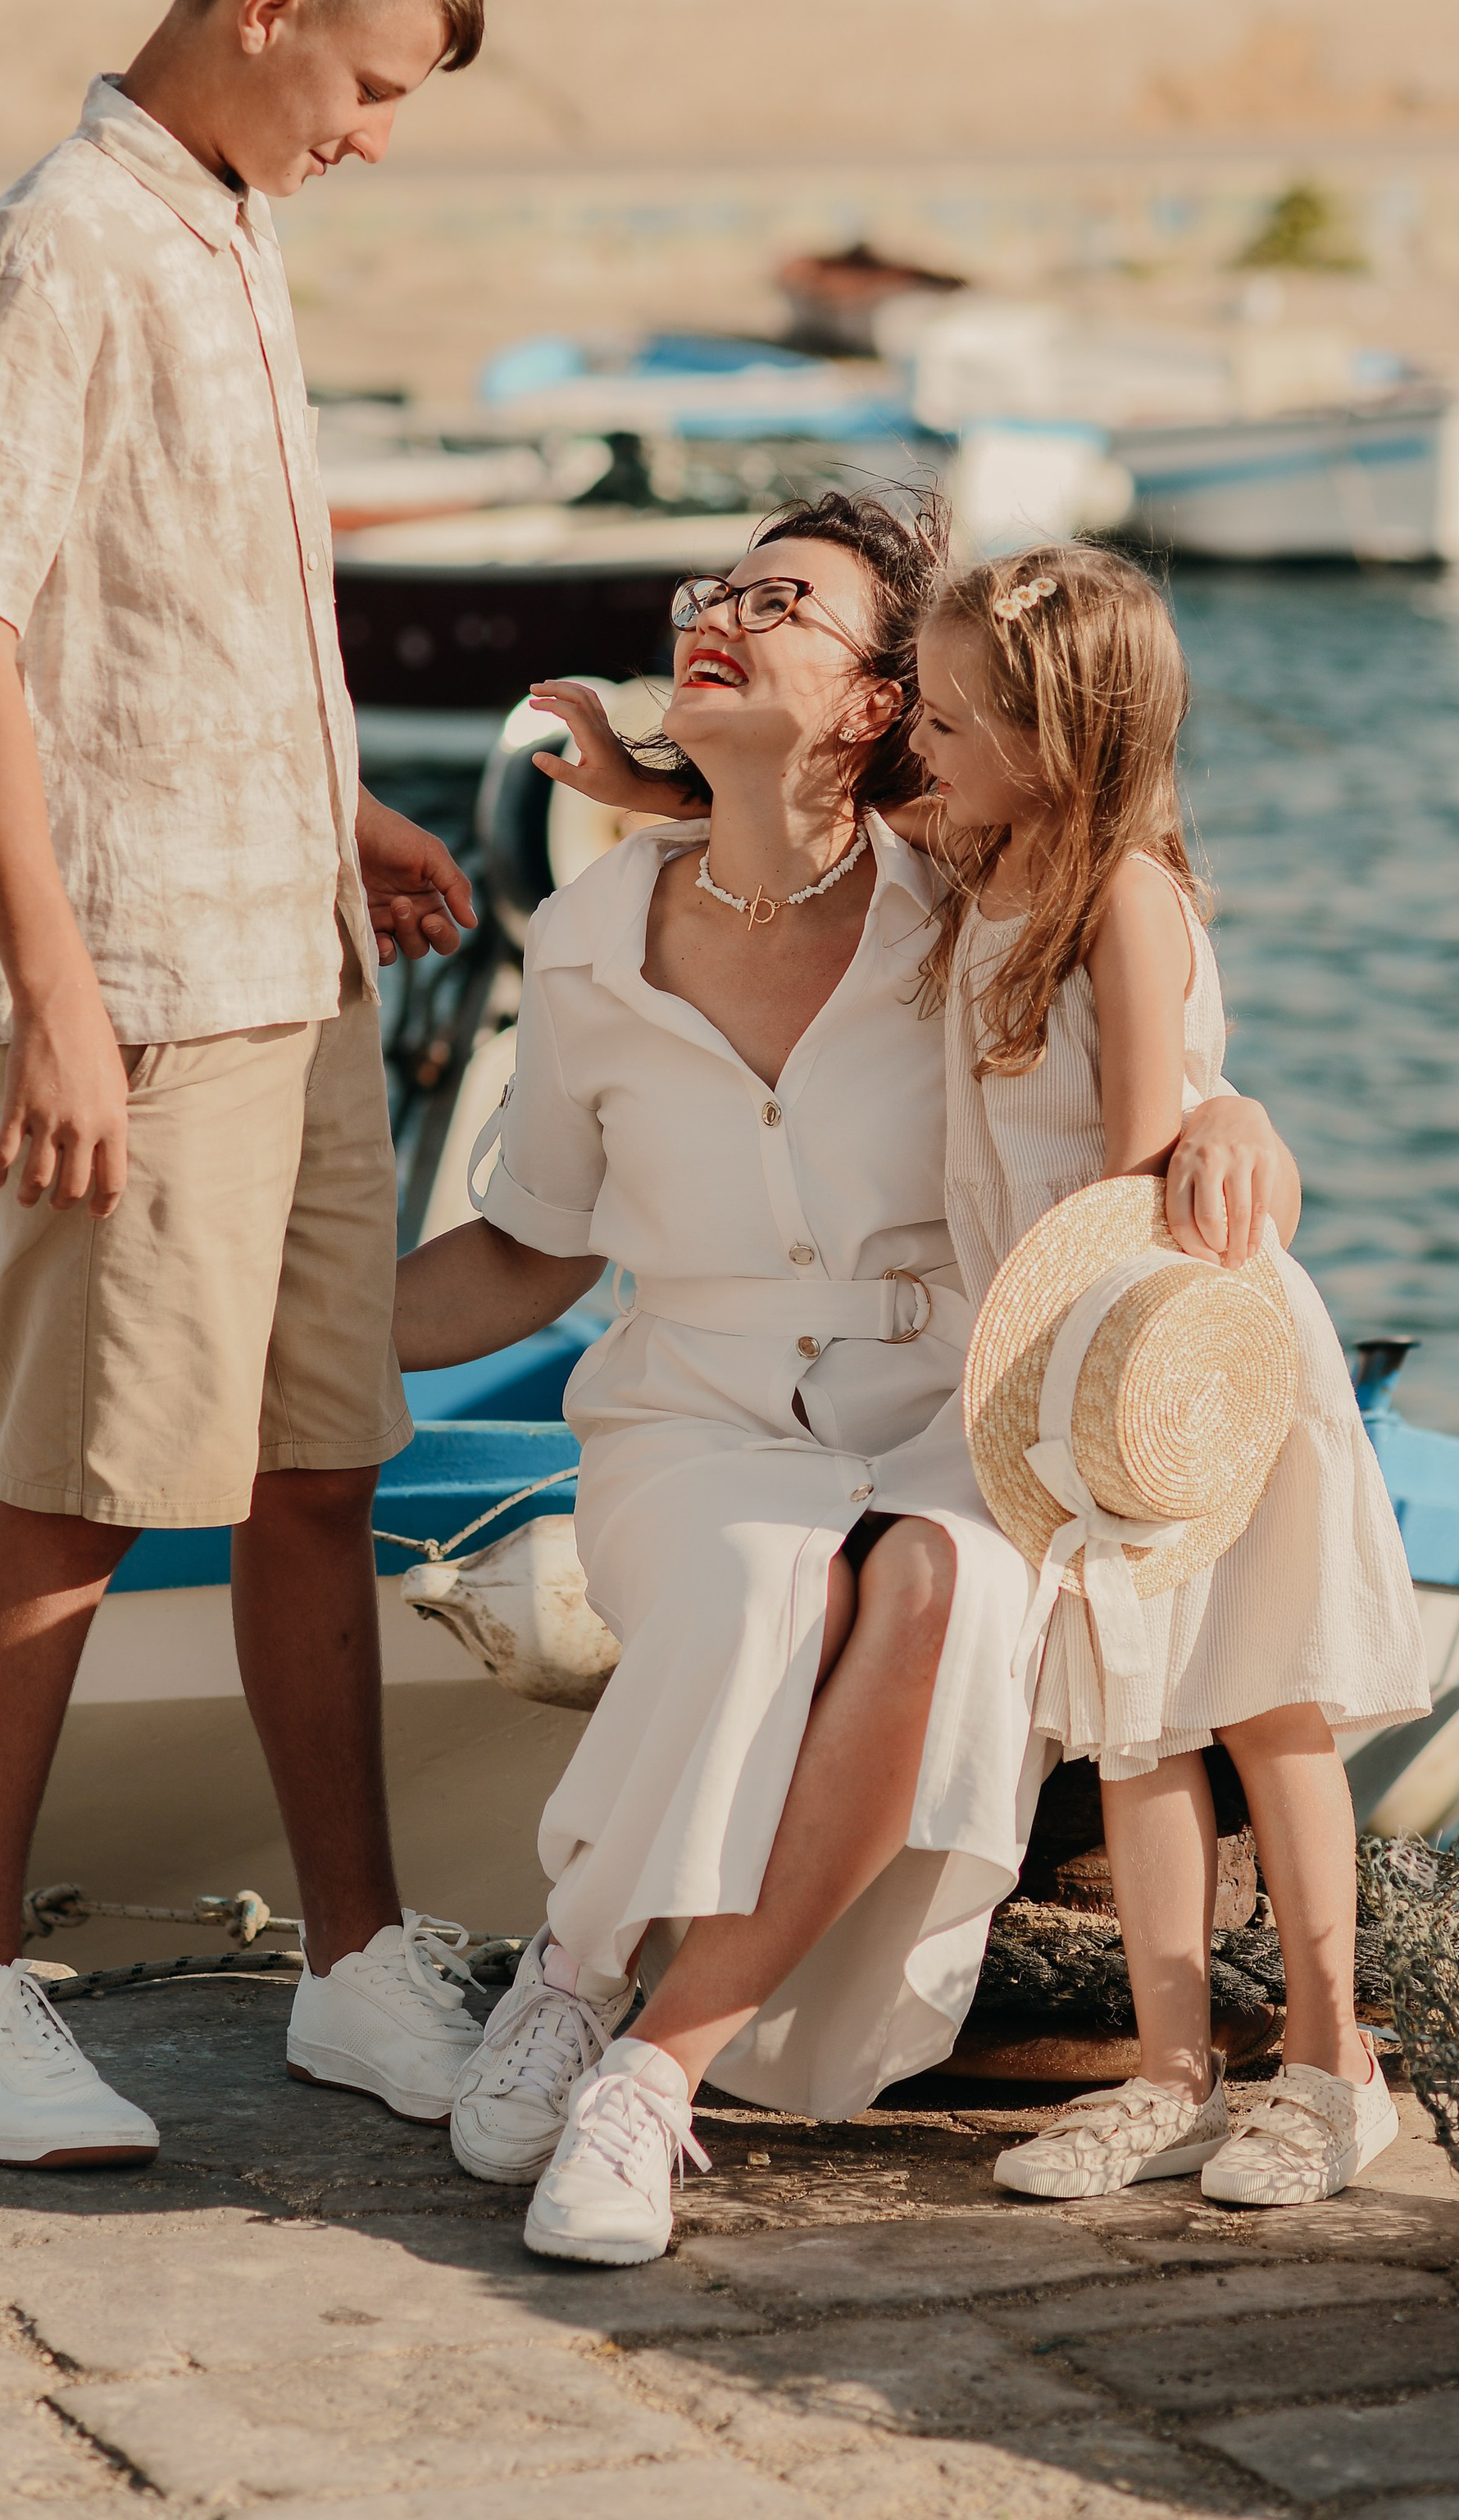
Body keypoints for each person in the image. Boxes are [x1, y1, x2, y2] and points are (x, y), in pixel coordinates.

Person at [391, 494, 1297, 2263]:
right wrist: (299, 1326)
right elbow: (532, 1248)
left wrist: (1233, 1105)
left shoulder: (963, 893)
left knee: (944, 1579)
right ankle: (575, 1967)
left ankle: (650, 2062)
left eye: (778, 601)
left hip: (960, 1415)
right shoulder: (582, 946)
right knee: (757, 1576)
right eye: (708, 592)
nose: (717, 613)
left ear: (886, 700)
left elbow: (1137, 912)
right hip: (692, 1417)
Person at [0, 0, 494, 2171]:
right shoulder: (57, 249)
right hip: (138, 983)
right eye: (375, 81)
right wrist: (54, 1008)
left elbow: (179, 607)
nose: (372, 133)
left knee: (319, 1466)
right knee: (82, 1483)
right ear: (267, 8)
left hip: (287, 949)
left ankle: (353, 1963)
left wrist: (341, 811)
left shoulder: (226, 227)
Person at [910, 546, 1429, 2208]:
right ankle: (1169, 2064)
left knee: (1263, 1704)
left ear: (1054, 737)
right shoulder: (982, 851)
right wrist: (638, 779)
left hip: (1172, 1348)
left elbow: (1142, 1159)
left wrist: (1229, 1108)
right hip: (1066, 1374)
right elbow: (844, 818)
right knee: (1131, 1728)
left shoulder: (1117, 893)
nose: (918, 739)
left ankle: (1334, 2063)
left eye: (948, 716)